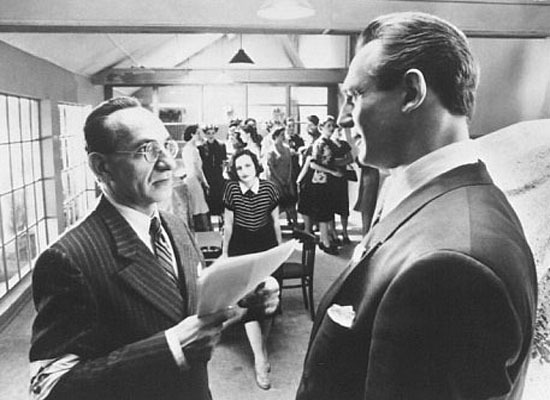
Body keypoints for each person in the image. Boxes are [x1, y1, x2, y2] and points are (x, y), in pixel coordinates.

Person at [297, 12, 537, 400]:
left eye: (355, 96)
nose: (343, 119)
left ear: (411, 92)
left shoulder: (451, 267)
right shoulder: (432, 195)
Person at [29, 97, 279, 400]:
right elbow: (48, 387)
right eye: (146, 150)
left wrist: (242, 297)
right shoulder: (68, 258)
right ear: (101, 166)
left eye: (166, 146)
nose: (168, 163)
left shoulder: (175, 226)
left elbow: (186, 306)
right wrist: (171, 348)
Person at [222, 149, 282, 391]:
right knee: (249, 301)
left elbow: (276, 222)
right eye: (239, 168)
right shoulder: (231, 189)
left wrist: (279, 252)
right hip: (241, 247)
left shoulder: (269, 188)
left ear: (256, 166)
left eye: (247, 166)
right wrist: (225, 253)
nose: (243, 171)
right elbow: (228, 224)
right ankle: (260, 358)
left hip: (266, 245)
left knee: (267, 300)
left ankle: (262, 347)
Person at [266, 125, 297, 228]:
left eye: (284, 134)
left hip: (287, 179)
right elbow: (271, 168)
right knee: (277, 203)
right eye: (281, 135)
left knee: (291, 202)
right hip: (276, 180)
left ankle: (295, 225)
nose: (284, 137)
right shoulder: (271, 151)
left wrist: (288, 178)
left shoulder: (287, 149)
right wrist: (280, 180)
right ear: (275, 136)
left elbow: (290, 165)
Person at [181, 124, 211, 231]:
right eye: (198, 133)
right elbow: (197, 170)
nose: (200, 135)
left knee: (198, 206)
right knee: (200, 206)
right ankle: (204, 230)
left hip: (193, 180)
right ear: (192, 135)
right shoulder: (191, 149)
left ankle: (202, 230)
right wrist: (204, 182)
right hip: (193, 181)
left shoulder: (191, 149)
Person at [198, 124, 227, 229]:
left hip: (218, 177)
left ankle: (222, 224)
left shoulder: (221, 145)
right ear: (205, 134)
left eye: (213, 133)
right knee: (209, 201)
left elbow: (223, 162)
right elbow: (200, 165)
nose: (211, 135)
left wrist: (222, 174)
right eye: (208, 133)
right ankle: (210, 225)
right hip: (207, 177)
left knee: (220, 201)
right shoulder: (201, 147)